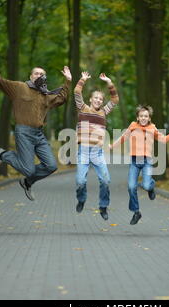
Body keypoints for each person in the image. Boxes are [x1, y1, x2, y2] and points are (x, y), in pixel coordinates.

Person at [0, 47, 72, 201]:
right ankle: (4, 155)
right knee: (28, 169)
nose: (39, 75)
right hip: (23, 132)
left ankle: (27, 182)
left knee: (51, 166)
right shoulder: (19, 87)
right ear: (31, 76)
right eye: (37, 73)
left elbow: (61, 99)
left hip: (39, 135)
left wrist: (68, 81)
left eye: (42, 74)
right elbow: (0, 82)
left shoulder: (46, 96)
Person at [110, 105, 169, 225]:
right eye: (141, 116)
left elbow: (164, 139)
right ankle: (136, 212)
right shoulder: (133, 126)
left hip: (147, 161)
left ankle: (151, 187)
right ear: (137, 117)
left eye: (146, 116)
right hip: (134, 162)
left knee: (147, 186)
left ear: (149, 118)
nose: (143, 118)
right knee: (131, 187)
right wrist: (112, 146)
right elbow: (123, 138)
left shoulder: (152, 128)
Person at [74, 71, 119, 220]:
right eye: (96, 98)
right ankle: (81, 199)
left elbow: (115, 99)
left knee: (106, 180)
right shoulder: (83, 108)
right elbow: (76, 92)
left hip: (97, 152)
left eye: (101, 99)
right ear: (90, 99)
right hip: (84, 151)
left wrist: (109, 82)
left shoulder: (104, 112)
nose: (99, 100)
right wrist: (83, 79)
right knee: (80, 181)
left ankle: (103, 206)